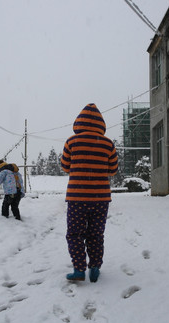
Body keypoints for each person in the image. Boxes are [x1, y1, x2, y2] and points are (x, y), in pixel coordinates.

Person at [60, 103, 118, 282]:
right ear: (101, 124)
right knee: (95, 234)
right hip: (101, 198)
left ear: (79, 123)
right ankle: (94, 267)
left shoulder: (71, 142)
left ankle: (79, 269)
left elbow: (65, 166)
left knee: (75, 234)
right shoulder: (108, 144)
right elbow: (113, 170)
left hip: (77, 198)